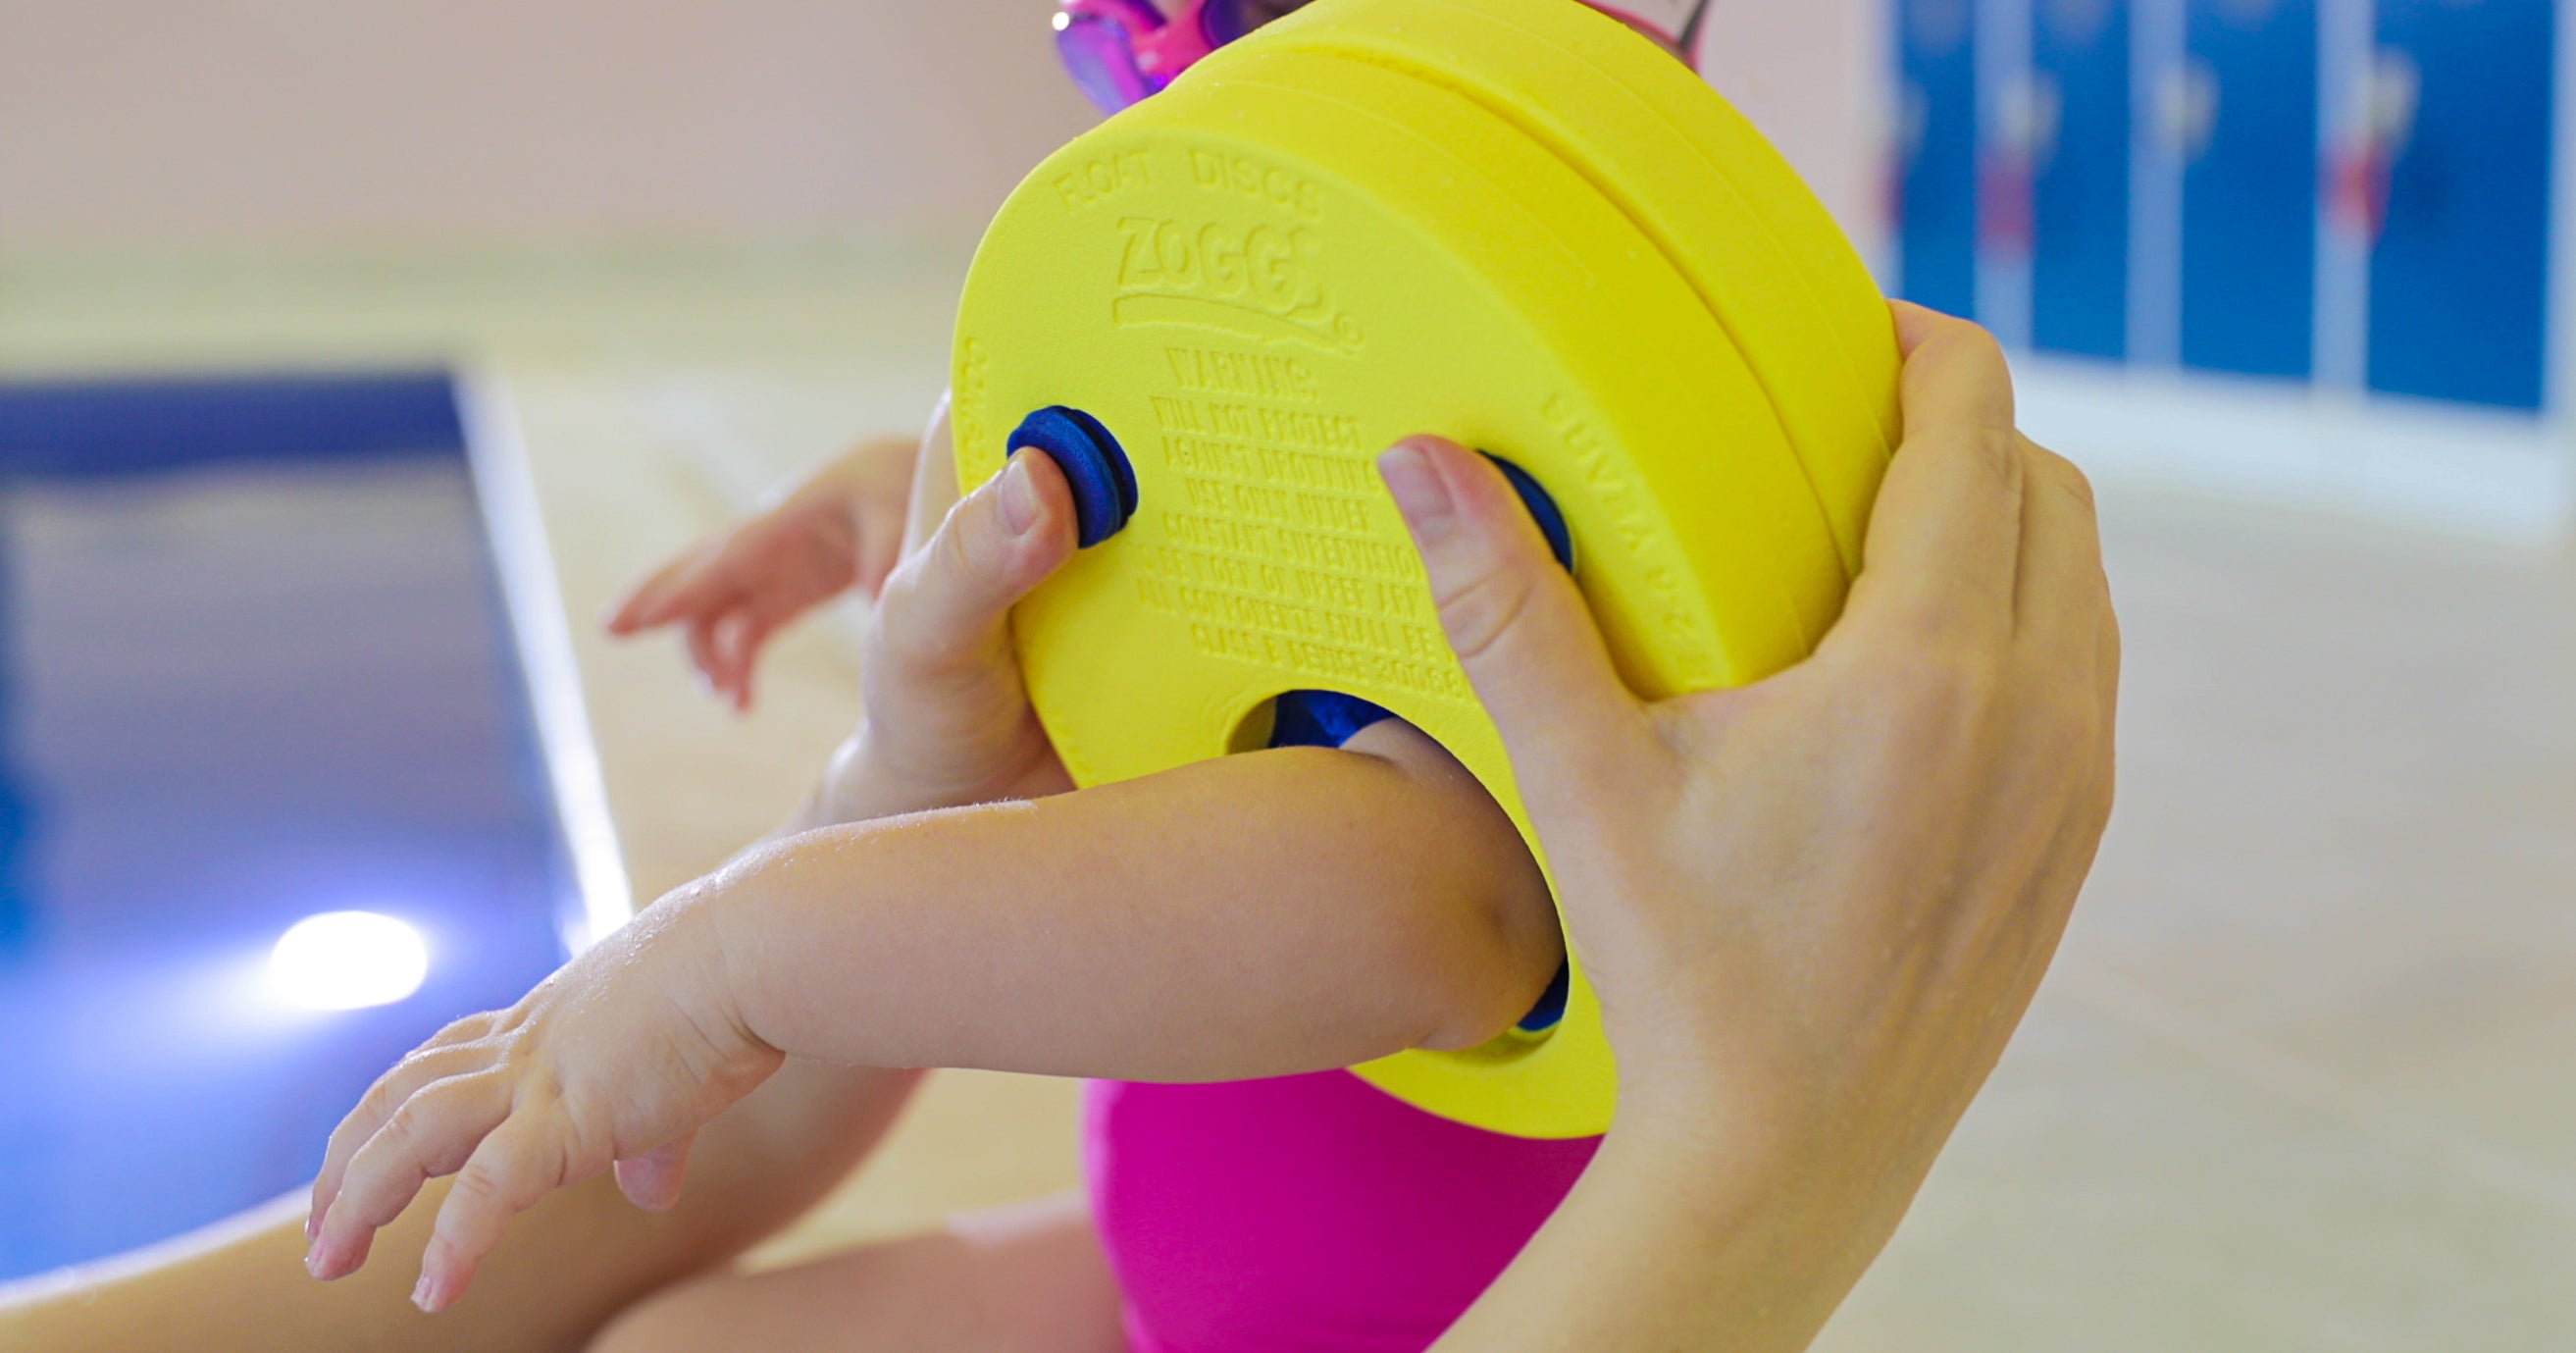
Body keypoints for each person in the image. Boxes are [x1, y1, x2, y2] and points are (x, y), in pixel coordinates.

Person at [0, 301, 2114, 1353]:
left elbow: (1432, 902)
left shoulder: (1541, 481)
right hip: (1169, 1271)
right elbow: (1222, 529)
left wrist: (739, 946)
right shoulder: (1372, 356)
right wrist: (937, 507)